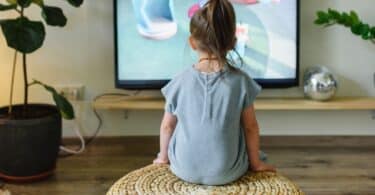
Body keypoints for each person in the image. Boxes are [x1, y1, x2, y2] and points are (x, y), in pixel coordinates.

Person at [153, 0, 276, 185]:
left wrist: (163, 158)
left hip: (183, 169)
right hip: (228, 172)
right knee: (243, 133)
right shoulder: (241, 82)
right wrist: (256, 164)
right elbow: (251, 127)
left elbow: (167, 127)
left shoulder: (178, 82)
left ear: (192, 43)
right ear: (232, 42)